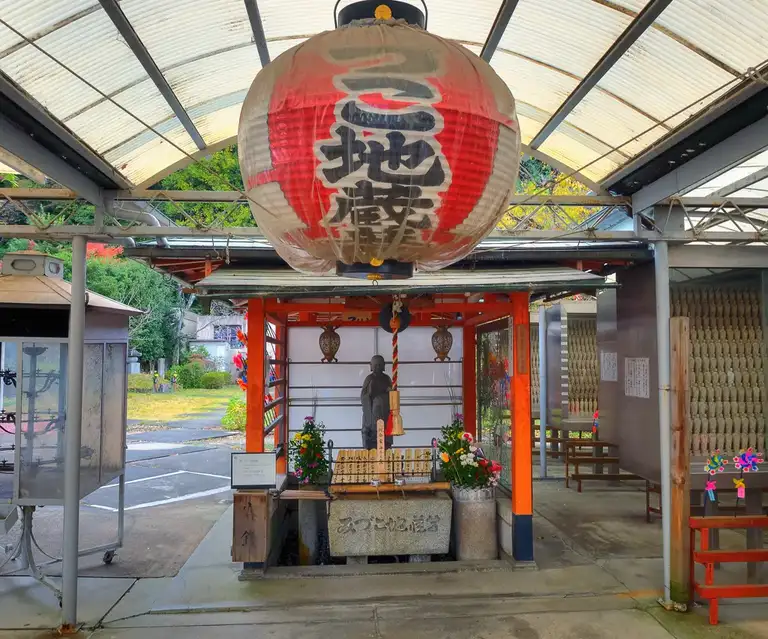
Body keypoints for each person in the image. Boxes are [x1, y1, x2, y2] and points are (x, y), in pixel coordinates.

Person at [360, 355, 392, 450]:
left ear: (383, 366)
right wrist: (369, 393)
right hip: (371, 411)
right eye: (375, 365)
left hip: (384, 412)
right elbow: (364, 396)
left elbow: (392, 396)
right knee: (371, 433)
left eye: (379, 365)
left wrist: (390, 392)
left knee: (384, 435)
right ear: (371, 366)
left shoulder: (386, 379)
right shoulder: (369, 379)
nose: (377, 367)